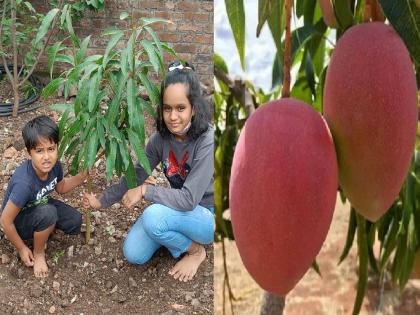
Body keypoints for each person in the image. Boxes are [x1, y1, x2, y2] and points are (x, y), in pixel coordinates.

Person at [84, 60, 214, 282]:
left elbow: (190, 199)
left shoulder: (207, 141)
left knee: (153, 216)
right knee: (134, 253)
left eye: (181, 108)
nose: (173, 116)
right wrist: (102, 201)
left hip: (206, 216)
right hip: (177, 212)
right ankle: (174, 236)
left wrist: (145, 191)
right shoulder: (160, 140)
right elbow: (137, 174)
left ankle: (195, 251)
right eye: (167, 108)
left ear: (194, 108)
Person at [0, 115, 85, 278]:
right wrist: (21, 248)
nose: (46, 157)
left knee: (75, 221)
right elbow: (5, 220)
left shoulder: (55, 166)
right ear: (29, 153)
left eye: (51, 149)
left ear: (57, 148)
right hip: (19, 220)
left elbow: (60, 187)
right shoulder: (24, 184)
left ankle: (45, 228)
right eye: (39, 151)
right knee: (48, 213)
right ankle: (38, 252)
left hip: (41, 204)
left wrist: (81, 177)